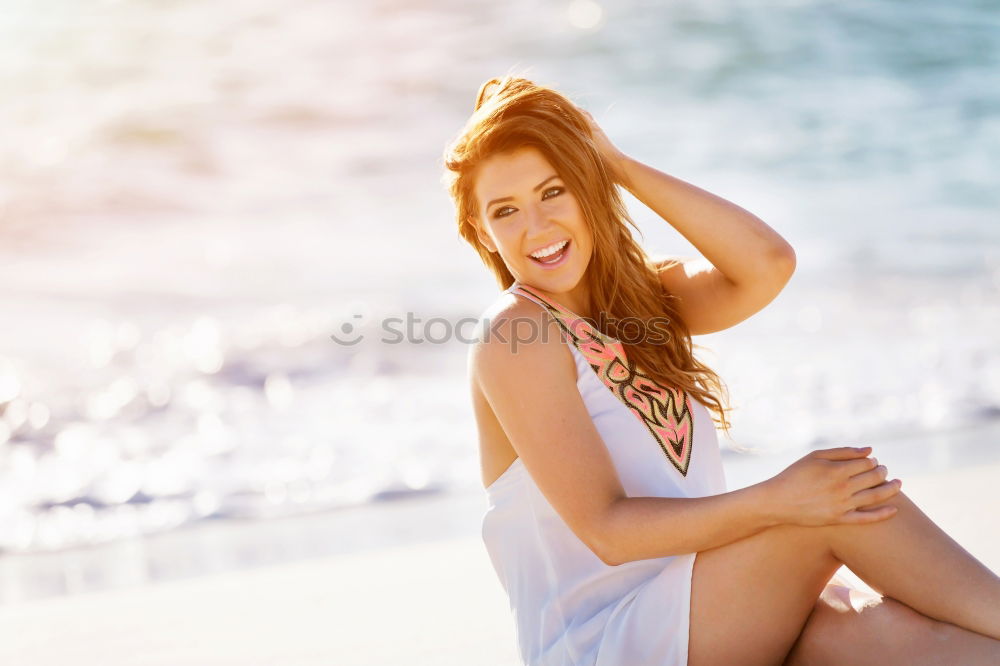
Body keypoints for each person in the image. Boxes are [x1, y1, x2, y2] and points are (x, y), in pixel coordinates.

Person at [440, 73, 1000, 665]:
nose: (537, 227)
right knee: (842, 499)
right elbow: (607, 530)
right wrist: (781, 501)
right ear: (481, 230)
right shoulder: (516, 334)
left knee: (897, 639)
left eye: (554, 191)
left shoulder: (645, 305)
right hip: (605, 642)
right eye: (506, 211)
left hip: (705, 608)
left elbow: (766, 264)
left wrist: (615, 162)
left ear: (587, 188)